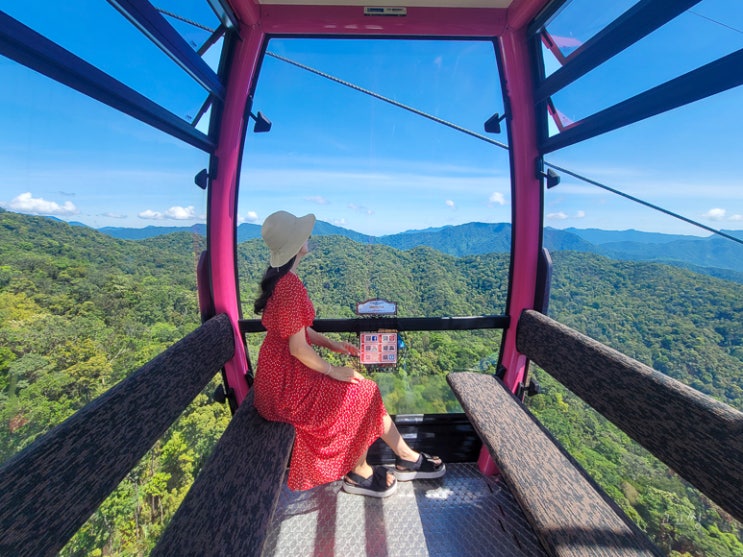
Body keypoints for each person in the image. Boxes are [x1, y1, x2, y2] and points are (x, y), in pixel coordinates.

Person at [253, 210, 445, 497]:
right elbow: (297, 347)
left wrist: (333, 345)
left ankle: (406, 456)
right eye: (302, 233)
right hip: (285, 386)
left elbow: (297, 331)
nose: (308, 236)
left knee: (365, 390)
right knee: (361, 393)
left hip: (277, 376)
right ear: (296, 244)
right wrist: (334, 370)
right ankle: (359, 473)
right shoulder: (289, 286)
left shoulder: (281, 281)